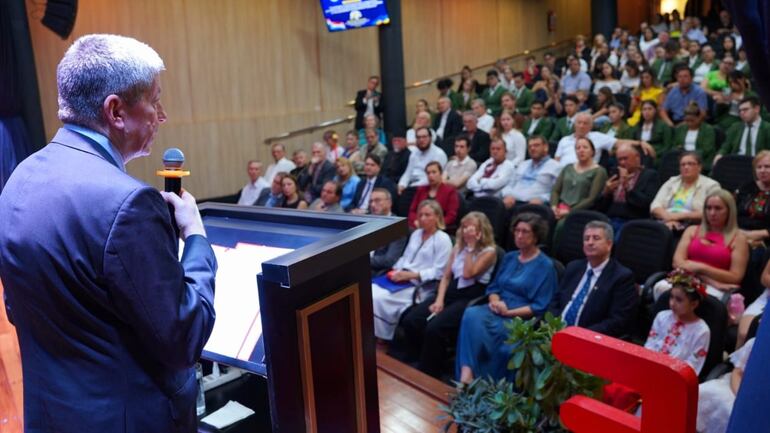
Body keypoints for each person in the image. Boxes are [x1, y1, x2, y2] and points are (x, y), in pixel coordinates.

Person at [0, 34, 217, 432]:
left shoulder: (19, 178)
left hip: (52, 415)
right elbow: (185, 338)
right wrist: (196, 237)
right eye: (154, 100)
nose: (162, 115)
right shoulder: (128, 203)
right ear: (116, 111)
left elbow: (19, 308)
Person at [456, 213, 558, 383]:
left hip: (519, 317)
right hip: (497, 307)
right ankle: (467, 374)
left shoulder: (545, 266)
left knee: (502, 342)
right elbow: (494, 288)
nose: (519, 235)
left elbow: (539, 306)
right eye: (517, 230)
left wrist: (509, 312)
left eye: (525, 232)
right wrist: (495, 302)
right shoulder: (510, 257)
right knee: (471, 314)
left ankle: (490, 388)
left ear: (536, 236)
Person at [393, 212, 497, 378]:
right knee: (412, 320)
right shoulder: (457, 248)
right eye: (464, 227)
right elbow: (446, 276)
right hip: (450, 291)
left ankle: (428, 371)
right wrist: (439, 300)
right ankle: (413, 359)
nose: (466, 231)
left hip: (469, 297)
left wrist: (470, 248)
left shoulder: (490, 252)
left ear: (481, 230)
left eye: (472, 228)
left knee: (435, 328)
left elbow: (469, 273)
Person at [371, 200, 452, 340]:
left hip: (420, 285)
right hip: (401, 276)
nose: (423, 218)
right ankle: (371, 330)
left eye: (428, 215)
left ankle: (382, 336)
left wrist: (412, 275)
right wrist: (396, 271)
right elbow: (405, 257)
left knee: (378, 298)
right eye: (420, 215)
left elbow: (439, 271)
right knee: (369, 289)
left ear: (437, 217)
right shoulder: (416, 234)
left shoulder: (443, 239)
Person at [655, 189, 749, 300]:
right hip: (688, 279)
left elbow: (735, 277)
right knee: (660, 287)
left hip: (718, 288)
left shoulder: (738, 239)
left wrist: (700, 267)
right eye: (708, 208)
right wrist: (709, 279)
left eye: (718, 208)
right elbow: (677, 264)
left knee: (701, 298)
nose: (712, 213)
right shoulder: (692, 230)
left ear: (729, 211)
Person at [549, 221, 639, 337]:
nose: (590, 242)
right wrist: (553, 325)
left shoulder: (621, 277)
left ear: (609, 244)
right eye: (586, 239)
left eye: (596, 238)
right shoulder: (573, 267)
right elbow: (555, 300)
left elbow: (618, 321)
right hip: (555, 333)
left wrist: (581, 335)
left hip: (589, 339)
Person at [645, 269, 711, 375]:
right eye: (671, 297)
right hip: (650, 367)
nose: (672, 303)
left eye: (679, 300)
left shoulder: (701, 331)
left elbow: (692, 365)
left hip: (676, 376)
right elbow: (650, 344)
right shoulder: (662, 317)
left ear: (694, 304)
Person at [595, 143, 660, 234]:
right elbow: (599, 207)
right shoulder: (615, 174)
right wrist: (605, 193)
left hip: (632, 221)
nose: (622, 163)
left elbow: (646, 204)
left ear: (637, 157)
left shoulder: (650, 175)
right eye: (619, 159)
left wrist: (628, 188)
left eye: (625, 158)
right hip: (609, 219)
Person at [696, 337, 756, 433]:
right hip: (738, 386)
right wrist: (741, 397)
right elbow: (737, 372)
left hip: (759, 402)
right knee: (705, 392)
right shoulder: (755, 343)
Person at [650, 151, 721, 231]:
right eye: (683, 164)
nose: (686, 167)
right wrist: (668, 217)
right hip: (665, 222)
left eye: (690, 164)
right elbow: (655, 205)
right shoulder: (672, 181)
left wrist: (679, 216)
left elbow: (711, 212)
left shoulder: (711, 185)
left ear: (699, 167)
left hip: (693, 226)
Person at [551, 137, 608, 221]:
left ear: (592, 152)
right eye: (578, 148)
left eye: (585, 147)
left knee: (562, 225)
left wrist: (569, 211)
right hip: (559, 208)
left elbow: (592, 198)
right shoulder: (568, 168)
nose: (581, 150)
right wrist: (554, 207)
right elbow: (555, 190)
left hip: (579, 211)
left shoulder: (599, 171)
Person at [502, 135, 563, 209]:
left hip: (534, 205)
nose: (532, 148)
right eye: (530, 146)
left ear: (546, 147)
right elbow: (509, 184)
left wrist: (542, 199)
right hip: (512, 202)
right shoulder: (523, 164)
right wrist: (507, 195)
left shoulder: (556, 167)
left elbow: (557, 192)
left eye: (536, 145)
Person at [715, 96, 770, 163]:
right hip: (737, 164)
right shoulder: (735, 127)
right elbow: (726, 147)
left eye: (745, 109)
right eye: (740, 111)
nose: (742, 113)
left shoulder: (767, 128)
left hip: (758, 164)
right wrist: (719, 155)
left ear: (757, 109)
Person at [407, 162, 459, 229]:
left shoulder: (450, 191)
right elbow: (412, 211)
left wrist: (434, 223)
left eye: (434, 172)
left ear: (441, 174)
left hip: (439, 227)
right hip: (419, 225)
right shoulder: (421, 190)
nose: (430, 175)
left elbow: (451, 216)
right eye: (428, 173)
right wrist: (417, 221)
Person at [369, 188, 408, 275]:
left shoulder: (397, 227)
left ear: (389, 203)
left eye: (377, 200)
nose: (372, 204)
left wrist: (362, 261)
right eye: (371, 201)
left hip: (377, 272)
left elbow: (389, 260)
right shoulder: (366, 222)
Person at [397, 127, 448, 193]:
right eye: (418, 137)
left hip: (427, 187)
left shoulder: (439, 154)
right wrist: (401, 185)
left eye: (424, 137)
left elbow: (432, 178)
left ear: (430, 138)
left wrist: (411, 187)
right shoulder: (414, 153)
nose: (421, 140)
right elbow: (407, 173)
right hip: (411, 186)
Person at [672, 101, 717, 170]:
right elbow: (674, 145)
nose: (689, 123)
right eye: (687, 120)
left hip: (701, 160)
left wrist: (689, 155)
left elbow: (707, 149)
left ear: (699, 117)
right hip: (681, 159)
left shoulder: (708, 129)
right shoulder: (680, 129)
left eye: (692, 120)